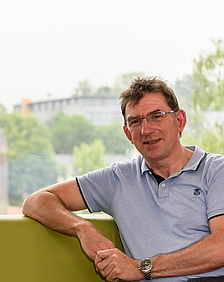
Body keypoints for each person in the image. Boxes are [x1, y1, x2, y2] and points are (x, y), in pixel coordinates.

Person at [22, 77, 224, 282]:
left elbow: (221, 246)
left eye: (156, 116)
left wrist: (142, 268)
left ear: (179, 120)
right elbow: (35, 201)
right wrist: (82, 228)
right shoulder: (117, 178)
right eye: (135, 121)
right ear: (128, 133)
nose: (146, 130)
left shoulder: (216, 169)